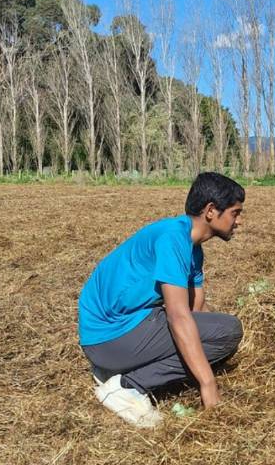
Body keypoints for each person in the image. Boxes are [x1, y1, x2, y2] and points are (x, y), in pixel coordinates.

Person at [77, 171, 248, 426]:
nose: (239, 222)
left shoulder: (192, 248)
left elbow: (196, 308)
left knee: (221, 338)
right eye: (235, 213)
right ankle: (127, 387)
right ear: (211, 211)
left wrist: (217, 340)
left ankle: (119, 371)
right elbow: (178, 315)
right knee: (228, 331)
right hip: (108, 337)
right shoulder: (173, 239)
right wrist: (208, 384)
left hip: (117, 335)